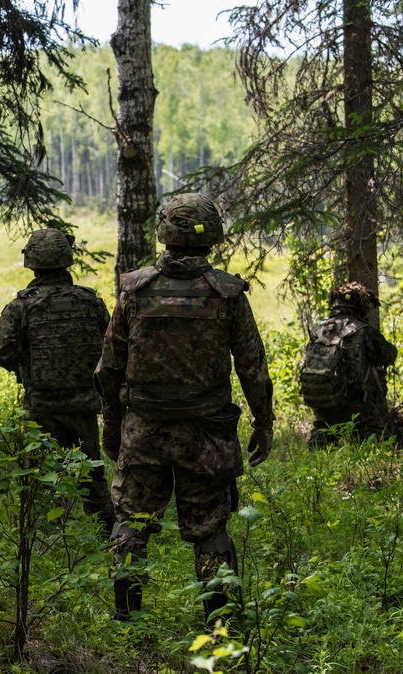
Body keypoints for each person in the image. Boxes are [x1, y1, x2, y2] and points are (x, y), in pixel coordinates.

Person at [95, 193, 275, 624]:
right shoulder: (227, 295)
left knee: (132, 521)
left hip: (144, 431)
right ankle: (222, 627)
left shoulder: (135, 292)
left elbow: (108, 367)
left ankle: (127, 620)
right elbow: (253, 368)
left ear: (164, 233)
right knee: (210, 529)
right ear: (211, 235)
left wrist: (113, 425)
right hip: (206, 435)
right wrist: (264, 422)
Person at [0, 228, 115, 533]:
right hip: (83, 405)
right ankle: (110, 536)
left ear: (32, 263)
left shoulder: (22, 306)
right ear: (66, 261)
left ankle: (41, 542)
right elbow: (111, 347)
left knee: (41, 476)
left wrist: (24, 365)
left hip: (41, 405)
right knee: (90, 474)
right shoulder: (89, 302)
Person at [301, 281, 397, 447]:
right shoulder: (363, 330)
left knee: (323, 433)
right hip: (357, 402)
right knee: (377, 440)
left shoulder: (319, 330)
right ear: (361, 307)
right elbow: (388, 356)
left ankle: (313, 467)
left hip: (323, 399)